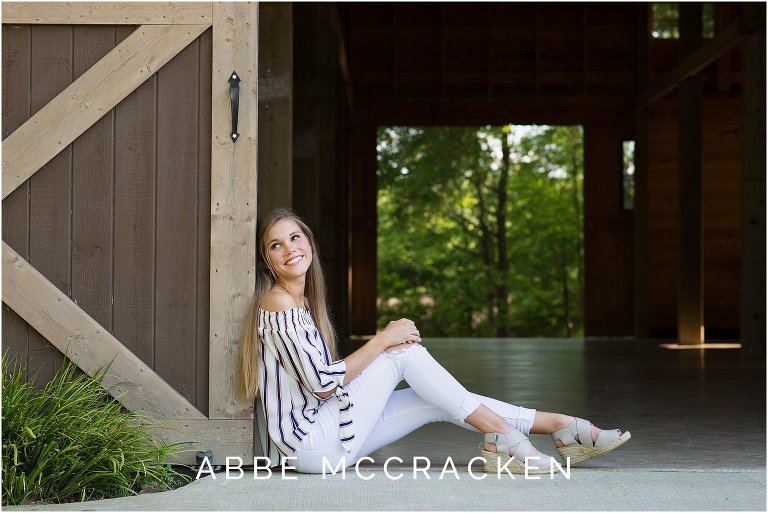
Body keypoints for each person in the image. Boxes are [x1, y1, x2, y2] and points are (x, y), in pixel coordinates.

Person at [237, 208, 630, 475]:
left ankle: (556, 426)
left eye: (294, 237)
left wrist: (384, 345)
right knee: (403, 355)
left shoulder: (303, 301)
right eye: (276, 245)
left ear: (309, 241)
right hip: (310, 445)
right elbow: (323, 383)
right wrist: (383, 341)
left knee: (432, 397)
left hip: (327, 438)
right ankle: (508, 439)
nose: (290, 249)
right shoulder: (278, 303)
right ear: (266, 260)